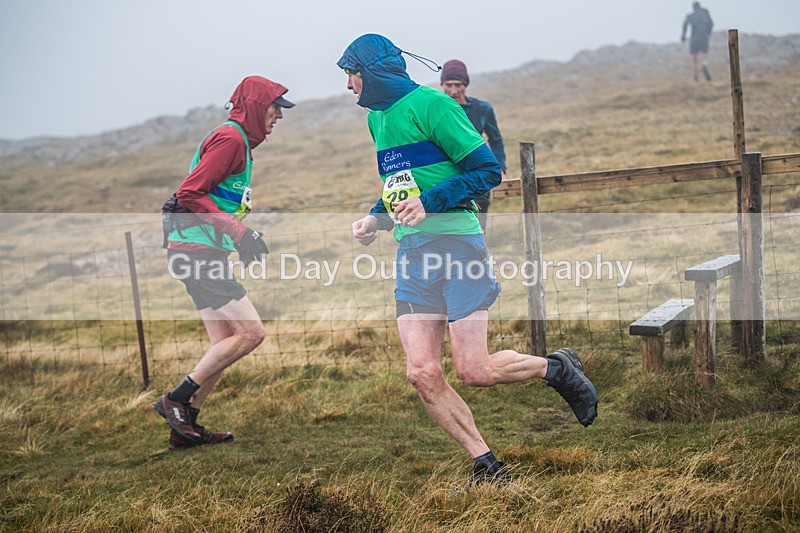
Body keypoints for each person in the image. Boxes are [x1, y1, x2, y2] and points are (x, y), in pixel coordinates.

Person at [338, 34, 598, 487]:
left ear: (372, 71)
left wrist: (430, 203)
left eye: (351, 75)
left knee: (474, 370)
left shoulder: (435, 106)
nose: (347, 86)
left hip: (458, 246)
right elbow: (403, 183)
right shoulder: (378, 119)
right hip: (413, 255)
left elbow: (487, 171)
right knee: (422, 373)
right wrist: (376, 217)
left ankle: (556, 368)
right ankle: (487, 465)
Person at [153, 76, 294, 450]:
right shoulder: (231, 138)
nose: (279, 116)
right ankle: (176, 401)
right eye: (275, 107)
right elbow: (190, 192)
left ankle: (186, 429)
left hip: (198, 250)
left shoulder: (241, 144)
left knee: (224, 341)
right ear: (255, 106)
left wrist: (238, 235)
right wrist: (239, 232)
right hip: (195, 252)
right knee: (251, 333)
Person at [440, 59, 506, 230]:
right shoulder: (436, 108)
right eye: (448, 85)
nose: (453, 90)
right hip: (445, 177)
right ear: (442, 84)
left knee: (477, 227)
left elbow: (495, 140)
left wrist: (500, 168)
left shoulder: (482, 109)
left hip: (478, 176)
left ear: (465, 84)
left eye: (458, 84)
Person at [681, 2, 714, 82]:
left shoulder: (690, 16)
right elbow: (711, 24)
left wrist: (683, 36)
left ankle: (695, 77)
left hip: (694, 38)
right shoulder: (705, 14)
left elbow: (685, 25)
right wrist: (707, 33)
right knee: (703, 55)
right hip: (704, 37)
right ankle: (704, 65)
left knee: (694, 59)